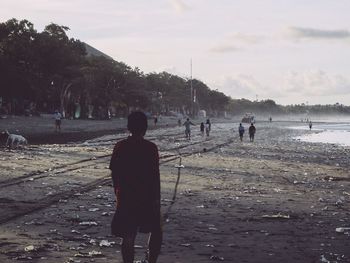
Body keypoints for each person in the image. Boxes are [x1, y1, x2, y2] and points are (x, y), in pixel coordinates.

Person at [109, 111, 162, 263]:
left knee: (128, 235)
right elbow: (154, 176)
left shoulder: (120, 146)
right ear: (145, 128)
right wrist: (156, 200)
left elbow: (115, 173)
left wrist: (117, 192)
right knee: (156, 231)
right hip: (147, 197)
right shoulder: (151, 148)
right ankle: (151, 260)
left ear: (128, 127)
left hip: (126, 196)